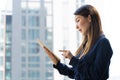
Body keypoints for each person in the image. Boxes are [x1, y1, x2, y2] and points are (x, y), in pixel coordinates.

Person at [43, 4, 113, 80]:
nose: (76, 26)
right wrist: (57, 64)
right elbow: (75, 73)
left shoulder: (103, 43)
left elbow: (95, 76)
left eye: (78, 20)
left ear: (89, 18)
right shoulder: (86, 45)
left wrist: (72, 59)